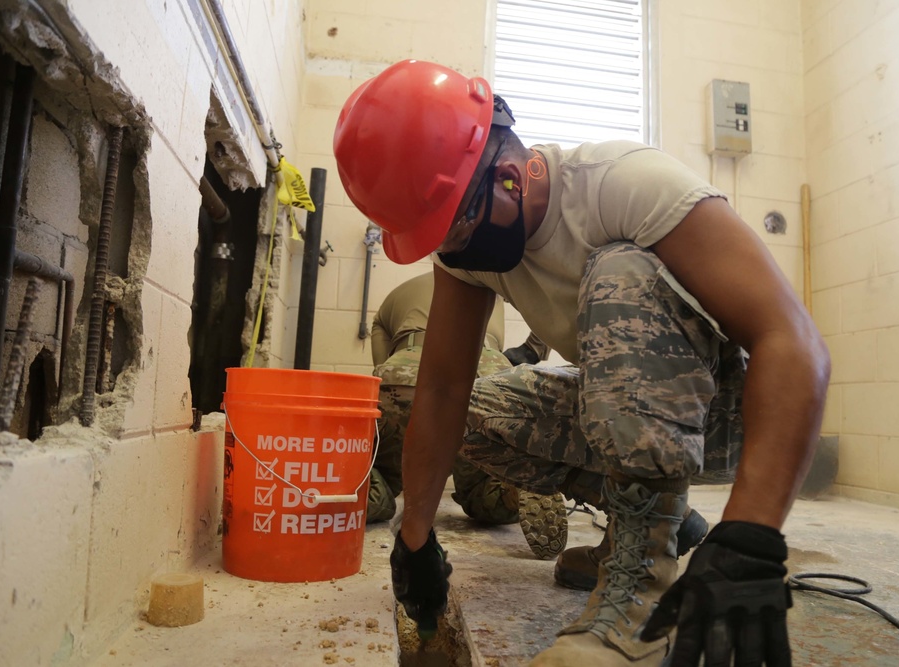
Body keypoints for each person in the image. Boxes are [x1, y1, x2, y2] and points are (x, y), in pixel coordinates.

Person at [333, 60, 830, 666]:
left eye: (456, 223)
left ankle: (637, 601)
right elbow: (441, 390)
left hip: (726, 418)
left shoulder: (623, 186)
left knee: (617, 269)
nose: (454, 248)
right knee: (476, 410)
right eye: (440, 237)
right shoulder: (468, 249)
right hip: (622, 411)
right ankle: (640, 527)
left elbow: (794, 339)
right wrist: (415, 540)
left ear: (508, 172)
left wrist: (752, 536)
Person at [368, 271, 569, 560]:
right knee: (483, 485)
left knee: (383, 475)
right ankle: (517, 489)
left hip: (408, 372)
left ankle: (355, 490)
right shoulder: (490, 281)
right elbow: (549, 301)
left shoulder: (393, 299)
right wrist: (531, 350)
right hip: (490, 372)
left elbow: (382, 367)